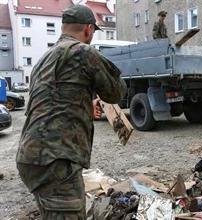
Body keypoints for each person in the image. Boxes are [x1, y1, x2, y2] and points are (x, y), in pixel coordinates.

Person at [16, 5, 127, 219]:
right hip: (55, 160)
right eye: (93, 32)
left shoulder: (43, 59)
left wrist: (84, 101)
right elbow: (115, 92)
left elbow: (53, 98)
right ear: (88, 29)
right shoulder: (83, 52)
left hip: (32, 156)